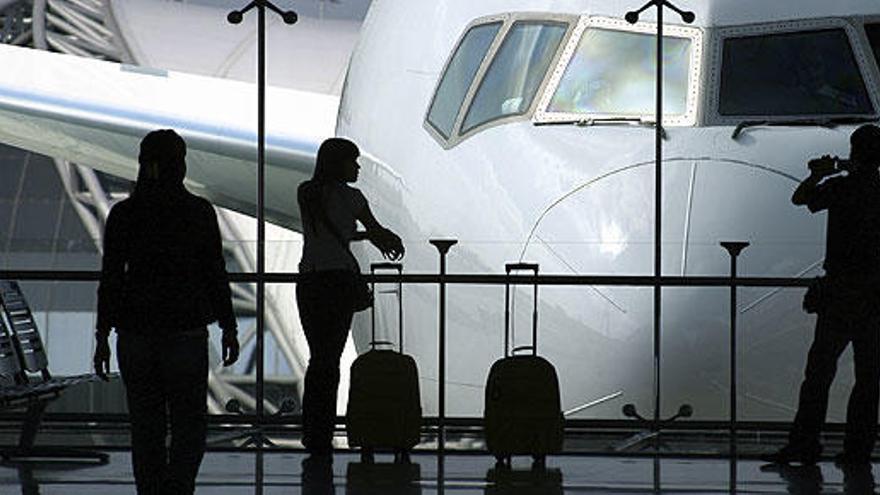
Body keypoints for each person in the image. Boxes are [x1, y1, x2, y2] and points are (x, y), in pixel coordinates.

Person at [93, 129, 240, 494]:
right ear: (181, 164)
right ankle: (178, 486)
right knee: (190, 421)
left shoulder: (124, 214)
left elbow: (111, 278)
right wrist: (229, 326)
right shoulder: (198, 212)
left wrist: (101, 335)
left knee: (146, 423)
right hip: (185, 330)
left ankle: (151, 488)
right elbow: (214, 273)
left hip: (135, 332)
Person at [764, 124, 880, 466]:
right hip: (872, 298)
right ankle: (857, 451)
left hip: (840, 294)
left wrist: (818, 174)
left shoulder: (841, 189)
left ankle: (805, 444)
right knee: (868, 379)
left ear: (855, 152)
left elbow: (800, 198)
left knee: (818, 376)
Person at [296, 137, 404, 462]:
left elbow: (328, 231)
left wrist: (354, 233)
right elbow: (374, 229)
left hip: (310, 279)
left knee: (318, 359)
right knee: (332, 358)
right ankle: (323, 431)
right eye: (352, 161)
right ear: (339, 163)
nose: (357, 167)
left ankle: (313, 432)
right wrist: (375, 235)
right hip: (339, 282)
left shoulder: (307, 192)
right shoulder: (354, 198)